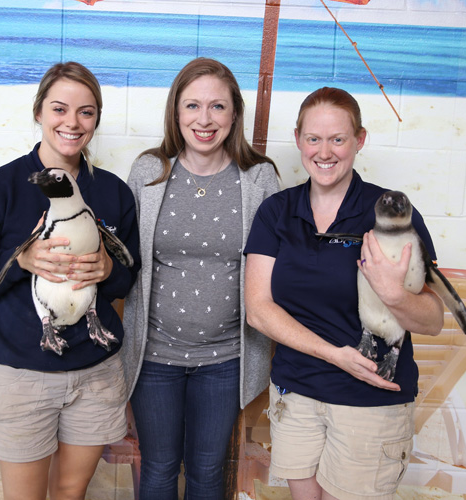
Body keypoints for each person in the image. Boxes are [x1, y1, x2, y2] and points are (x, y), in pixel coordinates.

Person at [0, 61, 140, 500]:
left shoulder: (112, 192)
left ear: (96, 120)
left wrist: (109, 270)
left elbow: (128, 280)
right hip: (23, 375)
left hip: (97, 372)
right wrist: (23, 258)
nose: (72, 122)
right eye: (59, 109)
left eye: (86, 112)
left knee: (71, 491)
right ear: (39, 113)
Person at [243, 87, 445, 500]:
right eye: (313, 138)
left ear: (360, 140)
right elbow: (259, 310)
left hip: (368, 400)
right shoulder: (277, 212)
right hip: (296, 392)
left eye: (338, 139)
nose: (325, 151)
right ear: (298, 139)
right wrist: (334, 355)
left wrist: (394, 294)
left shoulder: (389, 213)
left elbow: (434, 320)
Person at [121, 57, 280, 500]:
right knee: (157, 468)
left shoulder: (258, 178)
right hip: (154, 356)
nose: (204, 120)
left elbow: (279, 265)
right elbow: (121, 257)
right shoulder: (148, 172)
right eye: (192, 106)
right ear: (176, 112)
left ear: (234, 114)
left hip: (226, 359)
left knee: (209, 473)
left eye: (217, 107)